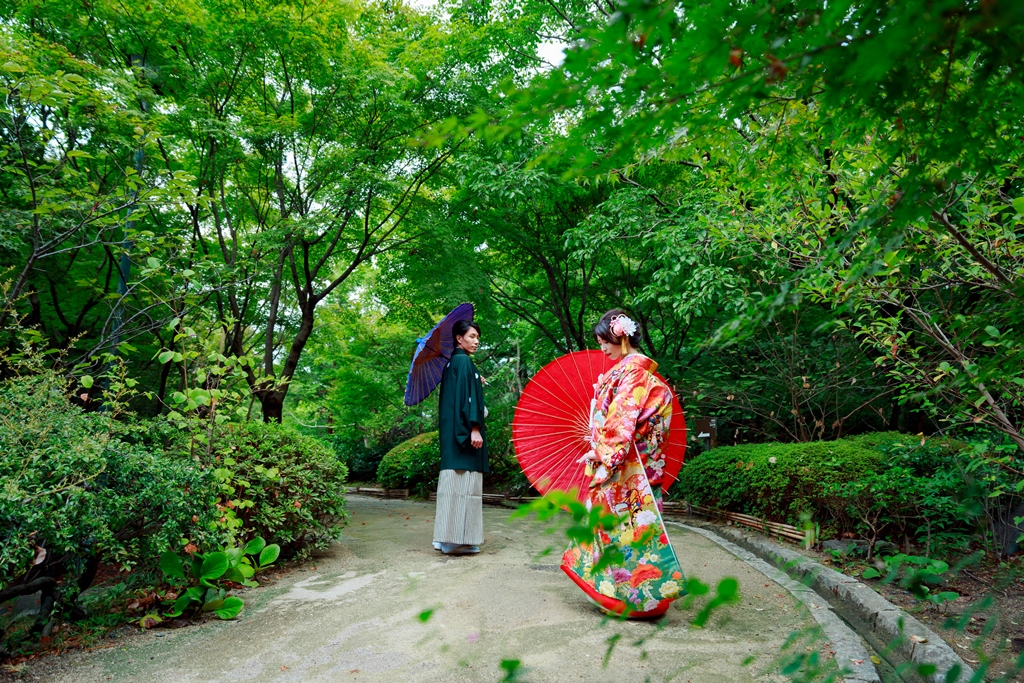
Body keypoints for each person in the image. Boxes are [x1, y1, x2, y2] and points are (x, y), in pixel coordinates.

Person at [561, 309, 686, 618]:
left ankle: (628, 597)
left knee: (622, 527)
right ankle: (635, 595)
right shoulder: (632, 371)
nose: (602, 348)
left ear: (622, 337)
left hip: (627, 465)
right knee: (631, 529)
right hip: (636, 460)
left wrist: (603, 450)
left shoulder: (633, 372)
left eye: (605, 341)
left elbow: (623, 417)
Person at [432, 319, 488, 555]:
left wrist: (477, 381)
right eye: (472, 336)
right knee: (464, 487)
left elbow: (461, 395)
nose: (476, 341)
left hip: (452, 436)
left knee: (451, 488)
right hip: (464, 437)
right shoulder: (464, 362)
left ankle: (443, 538)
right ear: (459, 338)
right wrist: (474, 428)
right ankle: (454, 541)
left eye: (477, 338)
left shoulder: (452, 363)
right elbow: (468, 401)